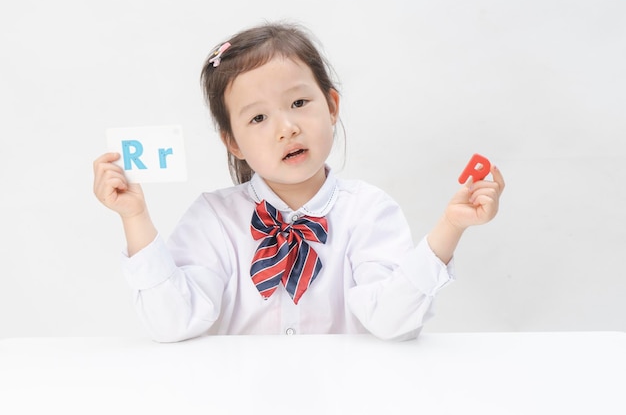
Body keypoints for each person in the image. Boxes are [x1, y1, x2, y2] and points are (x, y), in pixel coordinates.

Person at [93, 22, 505, 342]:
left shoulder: (369, 212)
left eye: (298, 103)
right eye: (258, 117)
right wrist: (135, 217)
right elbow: (172, 323)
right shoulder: (213, 218)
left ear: (331, 106)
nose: (286, 128)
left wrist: (451, 228)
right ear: (232, 142)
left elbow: (392, 322)